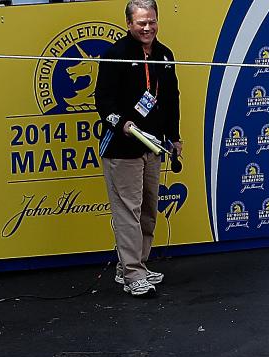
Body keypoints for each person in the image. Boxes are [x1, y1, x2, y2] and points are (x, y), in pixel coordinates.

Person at [96, 0, 182, 297]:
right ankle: (133, 275)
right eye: (141, 23)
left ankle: (135, 265)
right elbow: (103, 103)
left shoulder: (165, 54)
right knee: (127, 213)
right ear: (129, 24)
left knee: (148, 211)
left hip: (154, 146)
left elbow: (171, 99)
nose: (147, 28)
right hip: (122, 148)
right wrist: (123, 124)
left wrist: (174, 136)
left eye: (152, 22)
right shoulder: (114, 55)